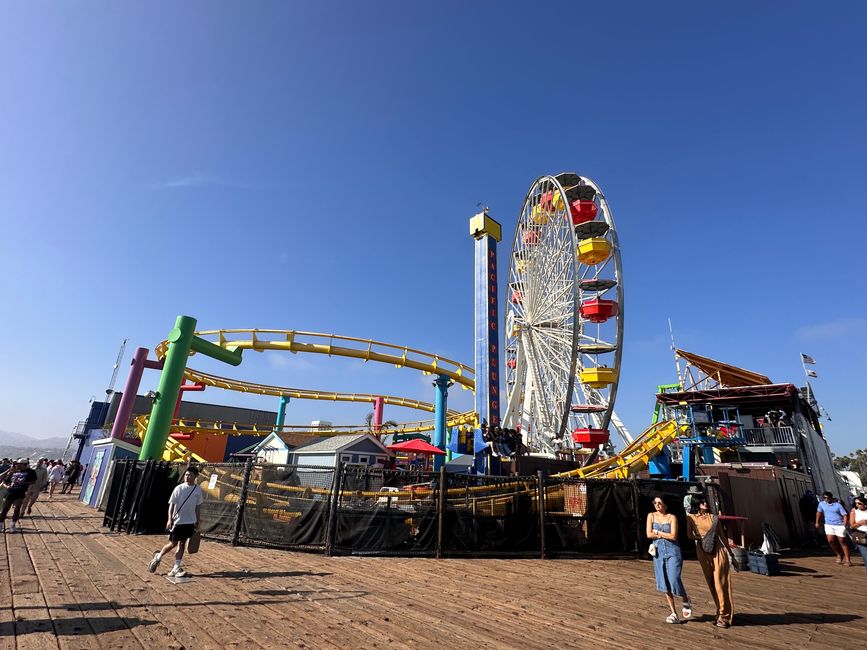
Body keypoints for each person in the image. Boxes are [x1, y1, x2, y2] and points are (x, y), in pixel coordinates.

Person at [686, 496, 734, 628]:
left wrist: (730, 552)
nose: (705, 504)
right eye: (702, 502)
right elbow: (689, 535)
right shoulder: (691, 518)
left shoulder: (714, 518)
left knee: (721, 582)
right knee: (711, 583)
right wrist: (700, 537)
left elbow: (722, 536)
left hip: (718, 550)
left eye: (706, 501)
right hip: (702, 550)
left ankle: (724, 616)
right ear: (697, 504)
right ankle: (719, 610)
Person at [148, 466, 203, 578]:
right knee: (173, 543)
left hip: (190, 521)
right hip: (178, 520)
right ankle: (158, 557)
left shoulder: (198, 490)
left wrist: (197, 520)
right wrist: (170, 519)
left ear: (195, 476)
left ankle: (176, 568)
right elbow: (171, 505)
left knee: (182, 543)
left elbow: (198, 507)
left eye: (190, 475)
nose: (187, 477)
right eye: (186, 474)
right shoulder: (179, 488)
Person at [647, 495, 692, 624]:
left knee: (674, 578)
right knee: (664, 582)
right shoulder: (651, 516)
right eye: (655, 503)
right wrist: (659, 534)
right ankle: (674, 613)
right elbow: (648, 534)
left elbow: (673, 536)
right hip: (659, 553)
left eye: (659, 503)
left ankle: (685, 598)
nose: (657, 505)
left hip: (673, 551)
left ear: (665, 505)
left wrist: (657, 532)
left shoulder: (672, 517)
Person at [0, 459, 38, 533]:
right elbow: (5, 481)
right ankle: (0, 524)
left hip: (20, 492)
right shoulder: (14, 471)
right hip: (10, 492)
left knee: (17, 509)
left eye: (18, 463)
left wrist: (24, 483)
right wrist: (7, 486)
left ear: (24, 464)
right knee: (5, 509)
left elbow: (34, 481)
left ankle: (12, 525)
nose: (16, 465)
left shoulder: (30, 472)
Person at [815, 491, 851, 566]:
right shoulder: (821, 504)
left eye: (827, 498)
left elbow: (844, 514)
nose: (826, 499)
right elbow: (819, 512)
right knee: (831, 541)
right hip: (828, 524)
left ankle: (848, 560)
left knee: (842, 541)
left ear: (831, 498)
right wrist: (817, 522)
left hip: (839, 525)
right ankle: (839, 553)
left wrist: (844, 523)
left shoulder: (837, 505)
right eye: (824, 498)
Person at [847, 495, 867, 575]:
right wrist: (860, 523)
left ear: (865, 504)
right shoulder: (854, 511)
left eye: (859, 503)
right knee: (866, 557)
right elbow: (852, 525)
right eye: (856, 503)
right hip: (860, 534)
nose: (857, 505)